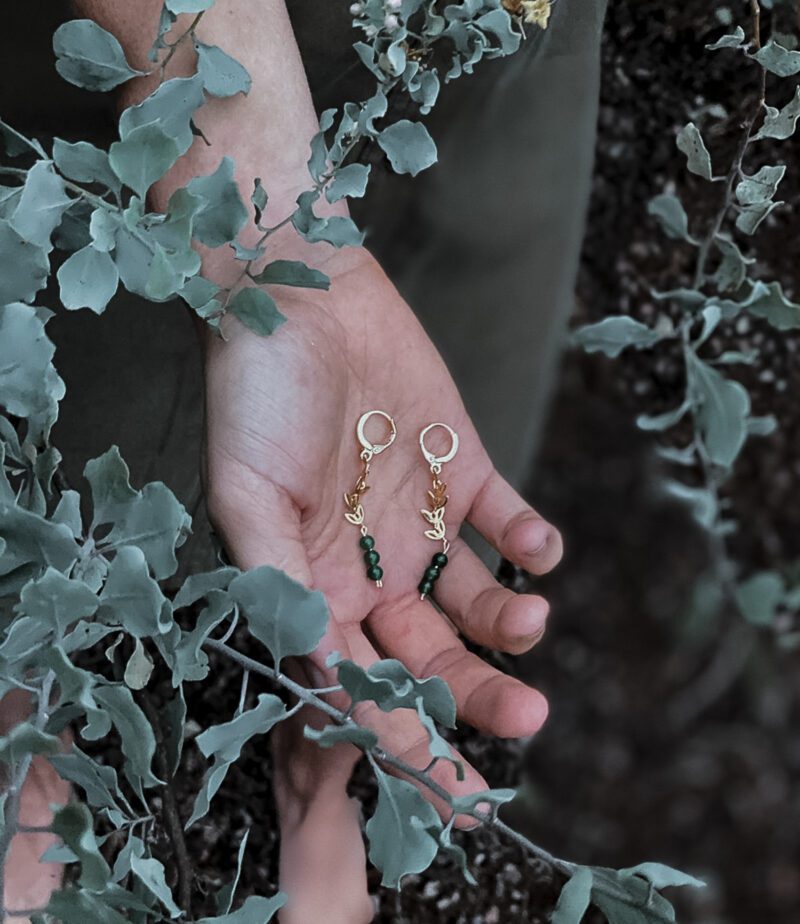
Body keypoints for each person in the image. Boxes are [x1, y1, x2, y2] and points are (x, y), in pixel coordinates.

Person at [2, 1, 606, 920]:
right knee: (71, 435)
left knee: (408, 507)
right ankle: (25, 731)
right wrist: (273, 238)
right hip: (201, 40)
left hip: (501, 37)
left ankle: (320, 762)